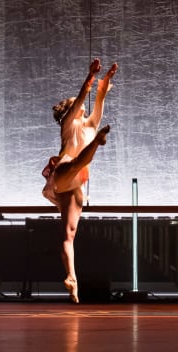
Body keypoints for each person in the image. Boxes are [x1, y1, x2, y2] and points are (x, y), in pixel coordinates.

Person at [42, 57, 118, 303]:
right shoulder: (67, 124)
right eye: (74, 104)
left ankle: (72, 277)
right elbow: (83, 98)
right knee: (77, 163)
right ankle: (98, 144)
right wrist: (90, 77)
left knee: (69, 234)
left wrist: (105, 81)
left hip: (75, 184)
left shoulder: (89, 124)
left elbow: (99, 102)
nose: (78, 105)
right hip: (65, 170)